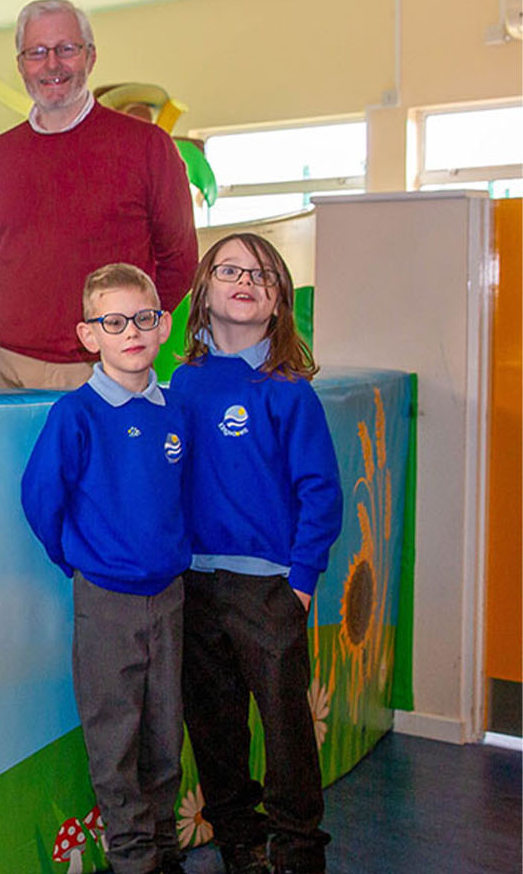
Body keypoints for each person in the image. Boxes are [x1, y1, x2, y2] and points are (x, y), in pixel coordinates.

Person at [171, 234, 342, 874]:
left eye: (263, 275)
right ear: (205, 290)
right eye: (231, 270)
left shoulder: (287, 389)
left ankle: (299, 851)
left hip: (268, 589)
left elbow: (320, 491)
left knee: (285, 728)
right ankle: (241, 842)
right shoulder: (181, 383)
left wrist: (302, 580)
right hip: (193, 585)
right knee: (214, 728)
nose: (246, 281)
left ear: (278, 304)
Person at [20, 263, 189, 874]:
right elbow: (41, 499)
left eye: (143, 319)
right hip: (106, 603)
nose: (131, 332)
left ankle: (166, 849)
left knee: (165, 736)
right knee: (113, 736)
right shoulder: (77, 415)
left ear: (164, 325)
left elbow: (182, 499)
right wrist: (78, 558)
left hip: (170, 598)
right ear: (89, 335)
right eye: (113, 322)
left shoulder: (174, 411)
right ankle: (134, 858)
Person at [0, 0, 197, 391]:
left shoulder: (146, 146)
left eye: (66, 49)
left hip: (105, 369)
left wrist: (128, 332)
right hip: (8, 367)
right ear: (21, 64)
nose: (52, 64)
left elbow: (179, 260)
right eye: (37, 52)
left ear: (90, 57)